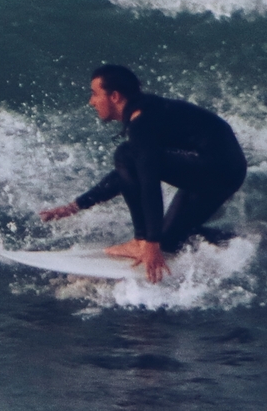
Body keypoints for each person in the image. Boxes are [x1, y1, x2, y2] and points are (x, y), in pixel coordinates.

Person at [40, 65, 246, 283]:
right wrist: (75, 206)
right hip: (225, 172)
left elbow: (149, 183)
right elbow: (129, 174)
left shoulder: (142, 122)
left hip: (216, 169)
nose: (92, 102)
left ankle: (139, 241)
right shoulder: (148, 112)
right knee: (170, 242)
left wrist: (149, 242)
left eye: (95, 94)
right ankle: (236, 242)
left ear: (115, 96)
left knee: (125, 154)